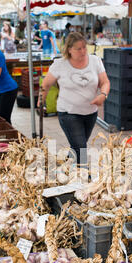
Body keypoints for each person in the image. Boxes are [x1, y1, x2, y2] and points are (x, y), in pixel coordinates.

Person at [39, 31, 110, 165]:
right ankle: (84, 175)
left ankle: (67, 163)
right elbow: (46, 84)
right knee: (81, 147)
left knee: (77, 145)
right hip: (68, 113)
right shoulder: (60, 64)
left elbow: (105, 82)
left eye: (84, 47)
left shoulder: (95, 61)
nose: (83, 51)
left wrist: (103, 94)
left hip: (90, 113)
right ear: (69, 49)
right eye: (78, 49)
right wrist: (41, 101)